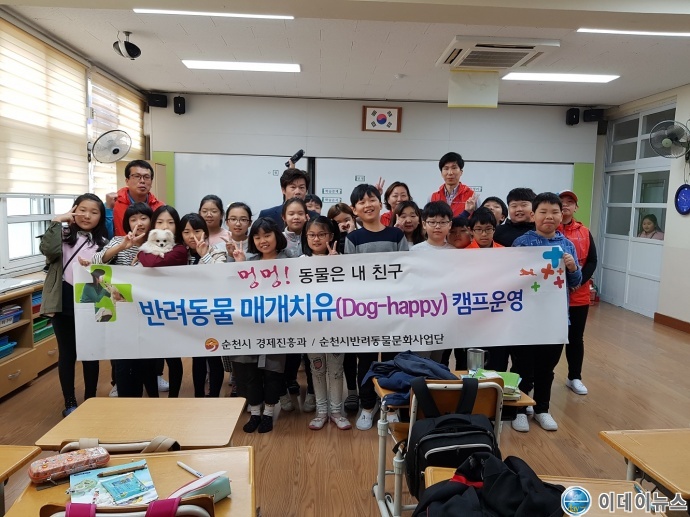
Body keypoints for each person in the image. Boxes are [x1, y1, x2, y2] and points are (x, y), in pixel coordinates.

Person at [511, 192, 582, 433]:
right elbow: (511, 277)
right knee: (523, 366)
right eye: (543, 212)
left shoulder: (566, 245)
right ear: (533, 215)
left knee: (547, 367)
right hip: (526, 318)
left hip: (555, 318)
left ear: (562, 215)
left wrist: (572, 268)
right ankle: (520, 409)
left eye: (554, 212)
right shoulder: (522, 243)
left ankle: (542, 409)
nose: (549, 216)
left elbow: (576, 282)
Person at [344, 184, 408, 431]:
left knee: (393, 360)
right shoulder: (353, 239)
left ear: (381, 204)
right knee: (367, 361)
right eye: (361, 202)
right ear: (354, 209)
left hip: (393, 310)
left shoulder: (396, 235)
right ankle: (367, 406)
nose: (367, 205)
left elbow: (406, 271)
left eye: (372, 199)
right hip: (365, 312)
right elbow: (350, 277)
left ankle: (391, 406)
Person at [40, 193, 109, 417]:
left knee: (91, 352)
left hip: (91, 298)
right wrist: (57, 221)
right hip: (63, 299)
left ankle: (91, 398)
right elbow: (48, 251)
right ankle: (69, 401)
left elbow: (107, 273)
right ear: (74, 210)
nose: (87, 215)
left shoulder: (103, 242)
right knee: (67, 354)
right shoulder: (62, 235)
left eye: (94, 212)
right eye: (82, 210)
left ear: (101, 217)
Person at [92, 203, 158, 398]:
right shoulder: (118, 241)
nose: (139, 223)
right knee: (124, 362)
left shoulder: (158, 243)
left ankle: (153, 398)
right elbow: (96, 263)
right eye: (133, 219)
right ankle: (125, 395)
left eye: (144, 218)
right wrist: (122, 246)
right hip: (123, 312)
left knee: (149, 362)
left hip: (149, 311)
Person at [232, 217, 291, 433]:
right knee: (248, 371)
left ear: (277, 235)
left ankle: (268, 413)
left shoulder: (290, 260)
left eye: (267, 235)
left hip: (277, 327)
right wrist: (239, 266)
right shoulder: (248, 260)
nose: (262, 241)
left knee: (273, 371)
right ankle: (255, 412)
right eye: (257, 237)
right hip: (250, 326)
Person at [300, 217, 352, 430]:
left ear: (331, 236)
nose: (316, 239)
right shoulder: (300, 261)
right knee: (317, 369)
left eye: (321, 234)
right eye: (312, 235)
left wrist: (335, 264)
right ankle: (321, 412)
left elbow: (350, 291)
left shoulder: (342, 260)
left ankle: (336, 411)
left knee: (336, 370)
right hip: (310, 326)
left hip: (336, 325)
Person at [137, 205, 188, 398]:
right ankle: (153, 398)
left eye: (170, 222)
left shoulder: (179, 249)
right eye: (160, 222)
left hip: (171, 309)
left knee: (172, 357)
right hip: (147, 308)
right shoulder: (148, 244)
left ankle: (173, 398)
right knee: (147, 358)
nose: (165, 226)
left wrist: (141, 253)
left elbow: (153, 263)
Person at [179, 213, 227, 398]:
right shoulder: (179, 255)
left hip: (212, 313)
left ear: (205, 233)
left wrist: (204, 255)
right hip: (188, 314)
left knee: (214, 356)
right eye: (186, 232)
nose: (192, 236)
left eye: (197, 231)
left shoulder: (216, 251)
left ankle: (214, 395)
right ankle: (198, 395)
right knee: (197, 357)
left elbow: (220, 275)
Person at [558, 190, 597, 396]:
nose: (565, 205)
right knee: (552, 339)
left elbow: (592, 261)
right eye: (561, 202)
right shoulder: (548, 229)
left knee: (575, 338)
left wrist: (578, 281)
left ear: (576, 207)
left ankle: (574, 377)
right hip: (553, 295)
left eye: (570, 202)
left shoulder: (584, 232)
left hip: (578, 295)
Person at [325, 202, 359, 411]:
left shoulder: (359, 237)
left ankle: (365, 391)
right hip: (338, 306)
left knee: (364, 352)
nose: (343, 224)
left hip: (362, 304)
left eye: (347, 220)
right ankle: (351, 391)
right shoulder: (330, 243)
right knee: (347, 352)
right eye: (337, 222)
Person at [112, 160, 164, 236]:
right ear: (127, 181)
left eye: (146, 177)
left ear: (151, 182)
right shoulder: (113, 204)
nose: (142, 181)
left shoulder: (160, 207)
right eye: (137, 176)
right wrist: (108, 209)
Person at [430, 152, 478, 217]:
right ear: (441, 173)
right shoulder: (433, 197)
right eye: (446, 168)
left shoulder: (472, 197)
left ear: (461, 172)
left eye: (454, 168)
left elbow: (479, 220)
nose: (450, 172)